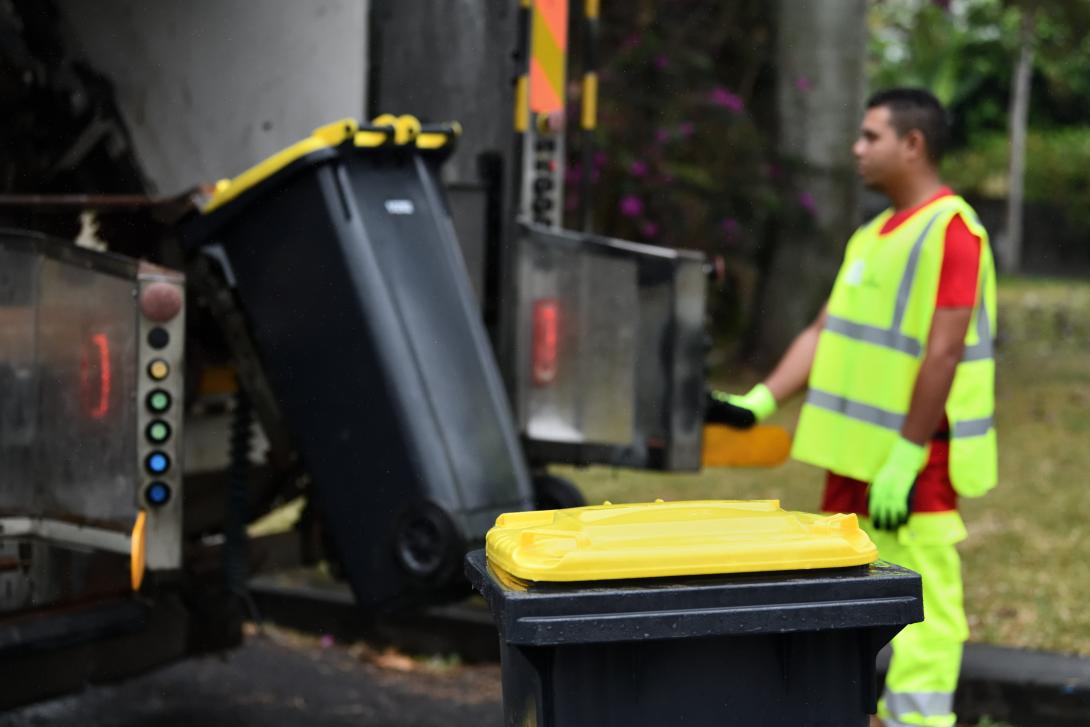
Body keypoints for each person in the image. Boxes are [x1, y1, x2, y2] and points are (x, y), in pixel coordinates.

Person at [716, 88, 997, 727]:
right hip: (852, 463)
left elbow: (944, 350)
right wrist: (759, 403)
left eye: (871, 136)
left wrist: (907, 451)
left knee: (926, 609)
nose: (857, 148)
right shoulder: (872, 235)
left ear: (913, 144)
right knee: (843, 600)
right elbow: (824, 332)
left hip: (914, 469)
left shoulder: (951, 230)